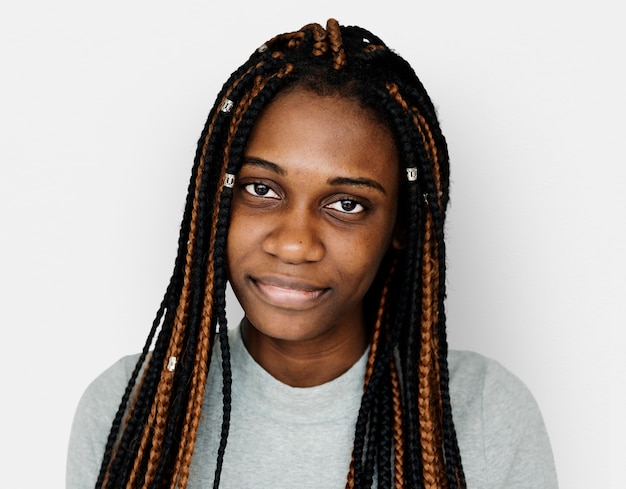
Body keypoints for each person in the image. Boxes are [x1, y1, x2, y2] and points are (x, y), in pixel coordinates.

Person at [66, 19, 558, 489]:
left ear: (400, 225)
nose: (295, 243)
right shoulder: (130, 405)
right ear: (217, 198)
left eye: (347, 204)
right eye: (261, 188)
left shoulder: (487, 410)